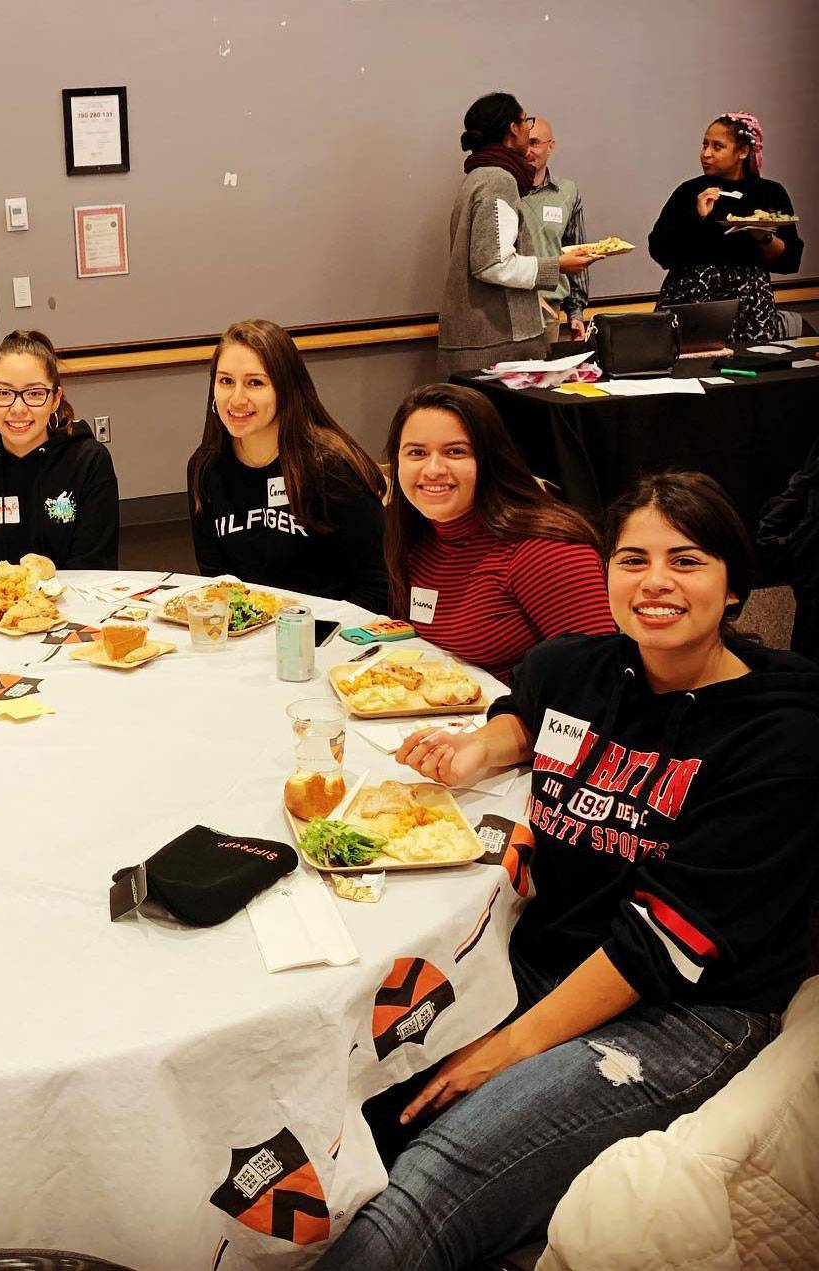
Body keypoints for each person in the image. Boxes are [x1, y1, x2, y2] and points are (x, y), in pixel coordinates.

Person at [318, 471, 819, 1271]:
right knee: (343, 1115)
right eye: (632, 559)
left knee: (428, 1181)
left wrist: (505, 1048)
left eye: (685, 561)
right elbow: (532, 712)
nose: (655, 582)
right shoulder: (575, 665)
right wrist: (485, 746)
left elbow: (661, 945)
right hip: (545, 960)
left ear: (733, 587)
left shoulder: (781, 733)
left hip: (682, 1010)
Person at [384, 382, 613, 681]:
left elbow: (598, 678)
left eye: (455, 452)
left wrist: (511, 723)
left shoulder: (545, 551)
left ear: (489, 459)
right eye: (417, 453)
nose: (433, 470)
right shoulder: (417, 536)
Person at [187, 319, 388, 609]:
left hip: (331, 638)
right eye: (226, 381)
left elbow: (378, 585)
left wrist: (310, 640)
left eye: (255, 382)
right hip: (249, 639)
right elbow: (217, 582)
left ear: (286, 388)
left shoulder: (330, 467)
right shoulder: (204, 467)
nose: (237, 398)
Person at [439, 92, 597, 375]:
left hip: (483, 341)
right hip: (495, 345)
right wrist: (558, 266)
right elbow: (493, 263)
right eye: (526, 121)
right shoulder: (498, 180)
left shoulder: (479, 175)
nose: (528, 129)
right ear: (513, 129)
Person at [0, 330, 118, 572]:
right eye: (3, 393)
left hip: (72, 605)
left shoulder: (88, 462)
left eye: (34, 393)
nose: (18, 408)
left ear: (55, 399)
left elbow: (93, 568)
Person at [649, 111, 804, 344]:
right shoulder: (689, 191)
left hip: (749, 303)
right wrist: (699, 220)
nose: (706, 154)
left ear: (742, 152)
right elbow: (660, 251)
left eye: (717, 147)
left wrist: (763, 237)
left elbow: (789, 260)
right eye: (704, 145)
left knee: (750, 367)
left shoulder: (769, 192)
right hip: (690, 300)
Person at [520, 117, 591, 342]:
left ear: (551, 146)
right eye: (524, 144)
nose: (528, 151)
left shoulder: (567, 192)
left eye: (535, 143)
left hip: (550, 310)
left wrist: (576, 312)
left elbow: (575, 251)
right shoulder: (504, 189)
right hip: (511, 308)